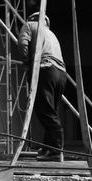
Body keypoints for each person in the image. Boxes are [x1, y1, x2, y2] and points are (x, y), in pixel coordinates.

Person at [18, 12, 66, 162]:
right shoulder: (51, 33)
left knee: (45, 111)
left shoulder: (29, 26)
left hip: (45, 69)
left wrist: (27, 64)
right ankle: (48, 148)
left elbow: (22, 43)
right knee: (51, 111)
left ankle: (56, 150)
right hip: (60, 73)